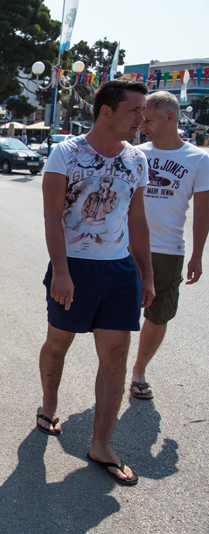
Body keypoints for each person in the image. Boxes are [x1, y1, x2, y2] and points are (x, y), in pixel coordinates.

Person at [36, 79, 154, 486]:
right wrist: (62, 271)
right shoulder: (65, 154)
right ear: (107, 111)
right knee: (59, 343)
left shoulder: (137, 159)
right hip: (76, 267)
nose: (143, 118)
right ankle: (49, 404)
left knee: (116, 355)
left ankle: (101, 444)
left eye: (144, 112)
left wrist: (147, 274)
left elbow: (137, 221)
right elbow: (53, 217)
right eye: (135, 111)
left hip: (119, 270)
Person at [129, 91, 209, 400]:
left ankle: (138, 370)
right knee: (118, 311)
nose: (142, 125)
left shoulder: (198, 159)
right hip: (126, 246)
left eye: (148, 120)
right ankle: (112, 367)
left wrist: (197, 256)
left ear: (169, 117)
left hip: (168, 251)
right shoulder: (135, 153)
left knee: (158, 315)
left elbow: (202, 212)